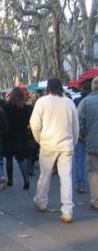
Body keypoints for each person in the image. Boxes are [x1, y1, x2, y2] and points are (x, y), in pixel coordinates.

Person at [30, 78, 79, 223]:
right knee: (66, 177)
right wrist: (73, 143)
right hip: (66, 144)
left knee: (44, 176)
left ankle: (41, 201)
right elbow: (75, 128)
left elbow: (34, 123)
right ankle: (67, 210)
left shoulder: (42, 102)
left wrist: (40, 139)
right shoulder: (69, 102)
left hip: (48, 143)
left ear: (48, 88)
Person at [2, 87, 32, 190]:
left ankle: (10, 180)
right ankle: (26, 179)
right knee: (21, 160)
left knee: (9, 160)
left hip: (9, 136)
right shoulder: (26, 108)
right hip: (21, 136)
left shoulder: (6, 107)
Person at [77, 77, 98, 210]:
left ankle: (96, 200)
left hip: (92, 143)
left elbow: (79, 125)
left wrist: (83, 138)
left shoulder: (85, 103)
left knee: (94, 172)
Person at [73, 80, 91, 193]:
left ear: (82, 89)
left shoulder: (77, 101)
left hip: (80, 135)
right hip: (93, 135)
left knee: (79, 159)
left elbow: (75, 119)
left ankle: (81, 184)